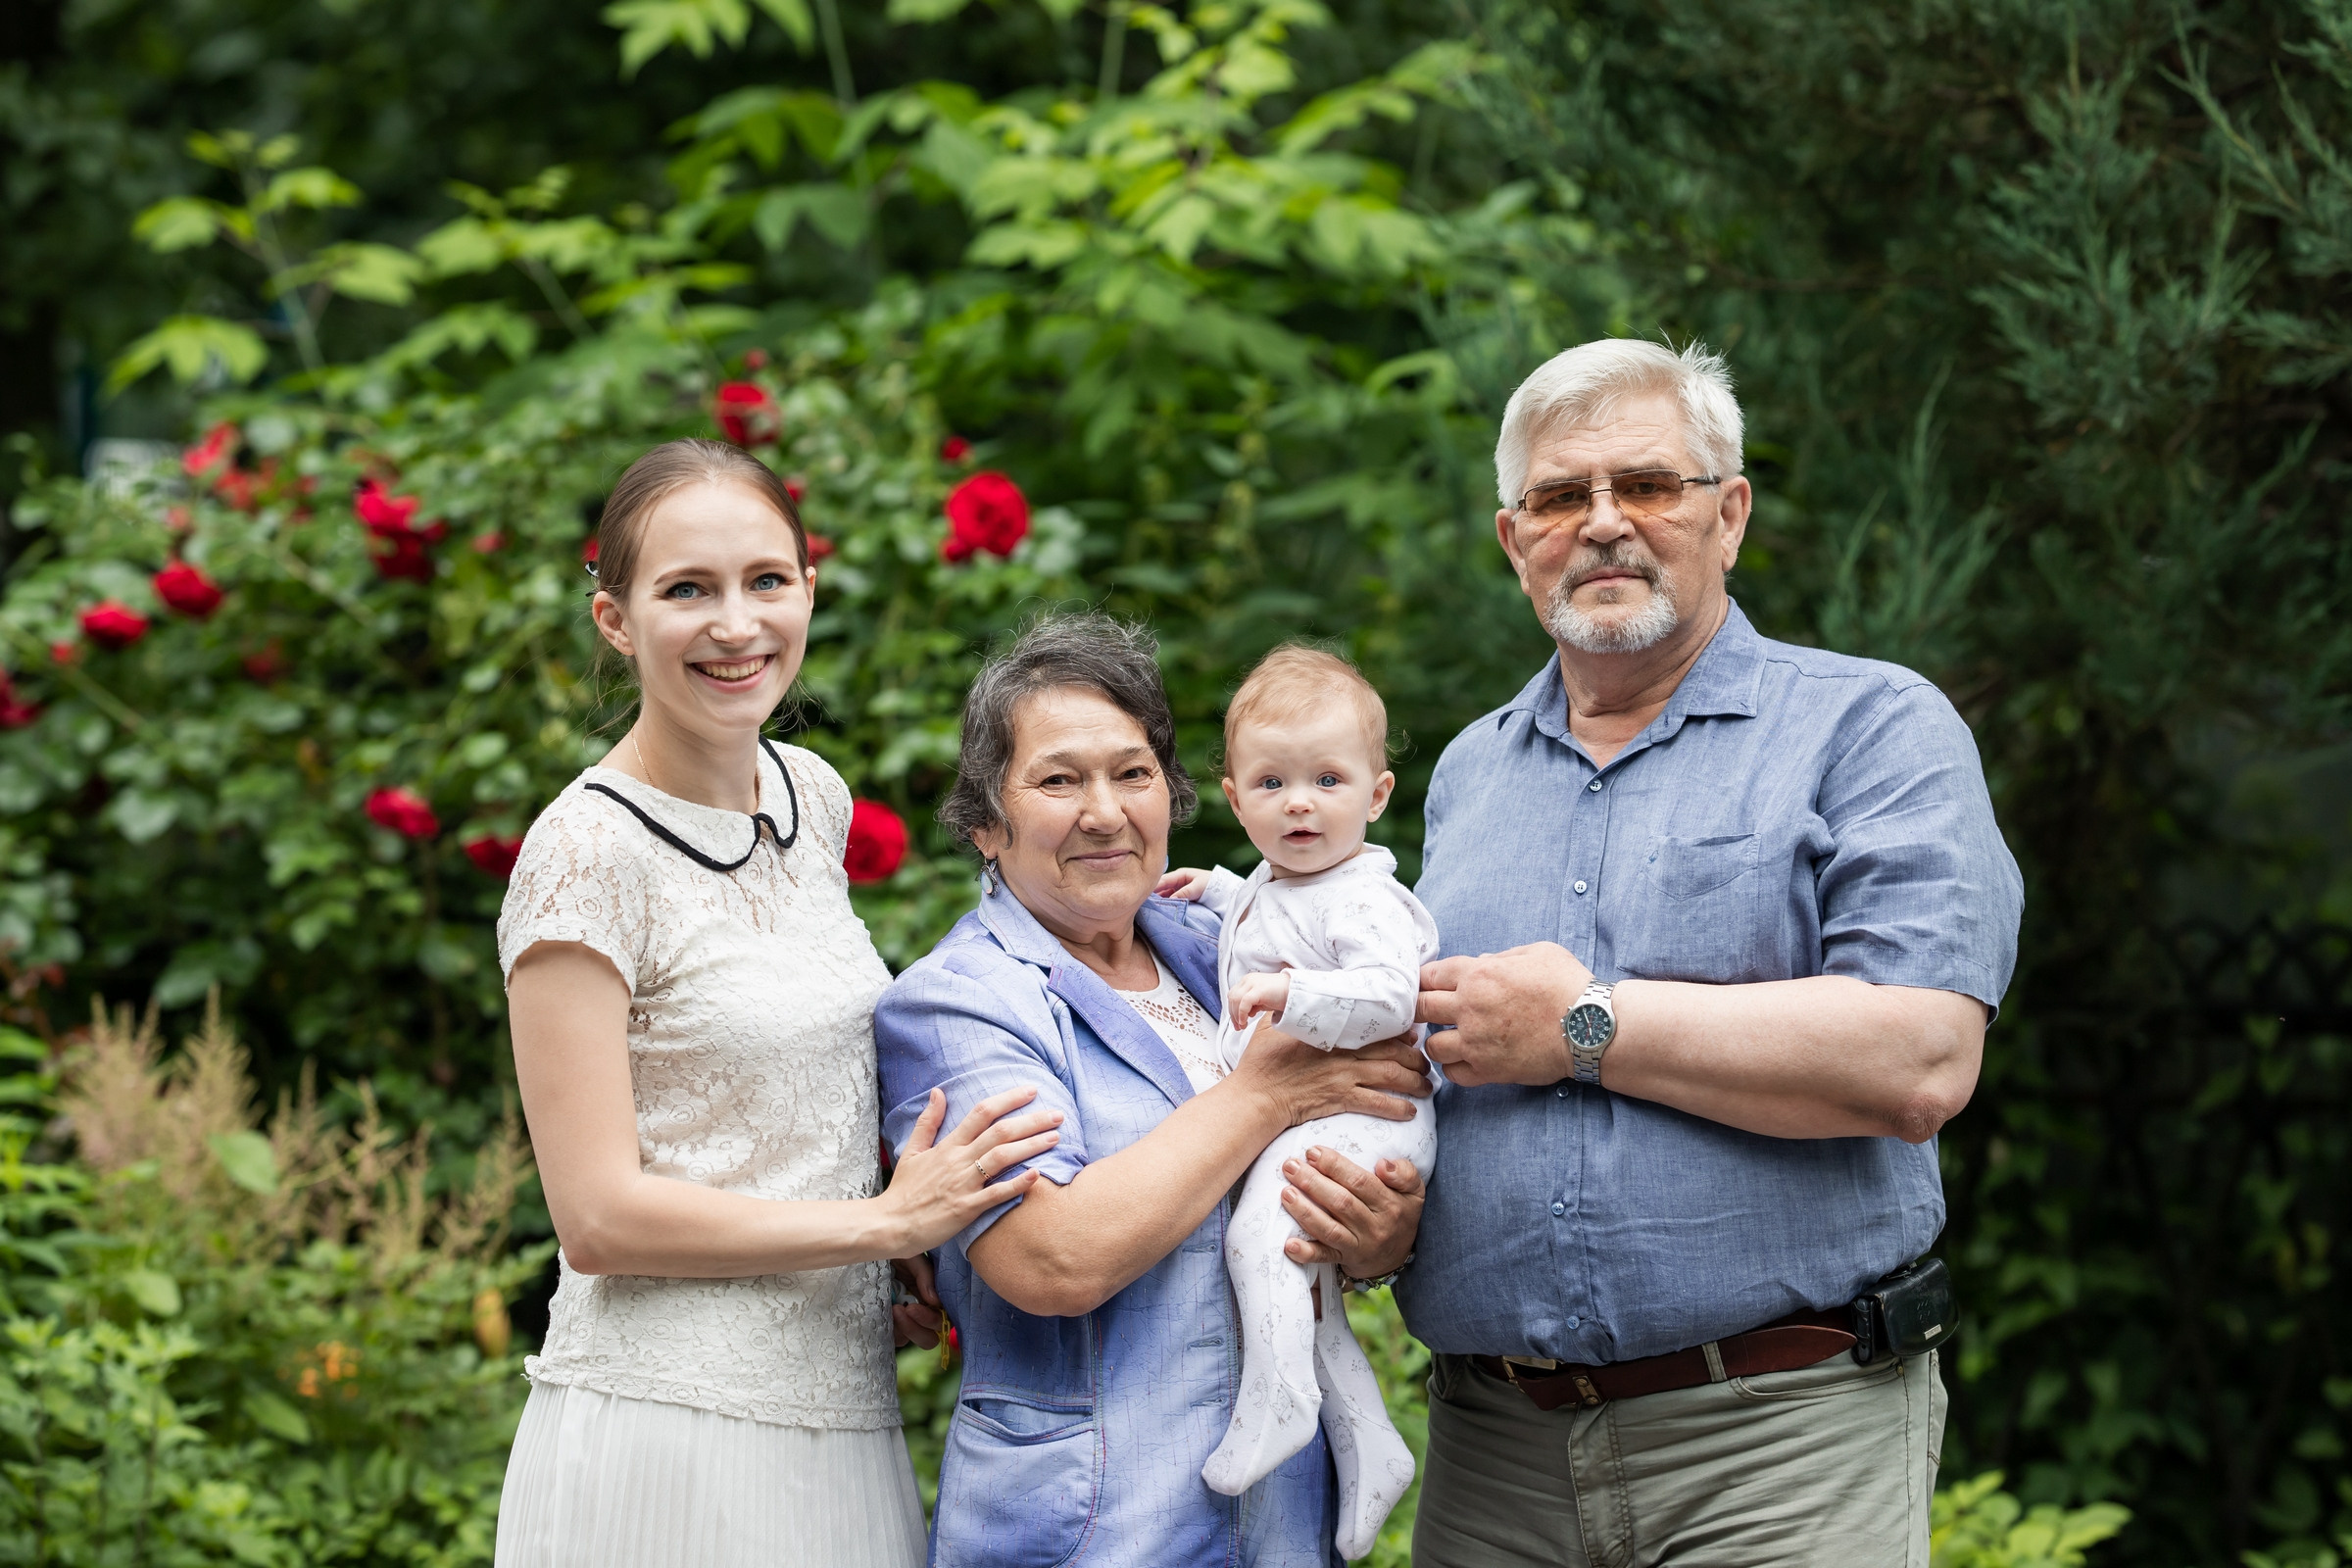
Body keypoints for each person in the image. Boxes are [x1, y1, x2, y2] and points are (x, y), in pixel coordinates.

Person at [1402, 340, 2024, 1567]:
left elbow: (1922, 1058)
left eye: (1648, 485)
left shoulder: (1872, 726)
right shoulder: (1468, 772)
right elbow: (1441, 1062)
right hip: (1492, 1454)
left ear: (1728, 513)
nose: (1603, 524)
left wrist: (1585, 1025)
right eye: (1559, 497)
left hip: (1778, 1441)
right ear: (1512, 536)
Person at [493, 438, 1059, 1568]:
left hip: (841, 1413)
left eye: (765, 580)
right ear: (615, 619)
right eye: (686, 590)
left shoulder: (814, 797)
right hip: (674, 1428)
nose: (736, 624)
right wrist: (887, 1222)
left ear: (810, 587)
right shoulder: (583, 852)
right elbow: (599, 1218)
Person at [873, 613, 1432, 1568]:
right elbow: (1051, 1257)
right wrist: (1261, 1097)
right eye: (1058, 779)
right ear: (983, 821)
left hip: (1284, 1529)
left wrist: (1375, 1236)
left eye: (1132, 773)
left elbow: (1341, 1132)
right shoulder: (959, 1003)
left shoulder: (1217, 949)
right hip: (1102, 1530)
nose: (1104, 810)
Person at [1157, 646, 1438, 1553]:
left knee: (1260, 1241)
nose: (1301, 802)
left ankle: (1277, 1406)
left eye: (1328, 779)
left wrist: (1294, 1000)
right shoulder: (1284, 884)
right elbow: (1274, 912)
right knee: (1308, 1297)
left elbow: (1393, 994)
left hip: (1364, 1111)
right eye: (1272, 782)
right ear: (1237, 802)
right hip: (1314, 1109)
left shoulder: (1365, 898)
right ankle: (1370, 1443)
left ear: (1378, 793)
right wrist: (1217, 889)